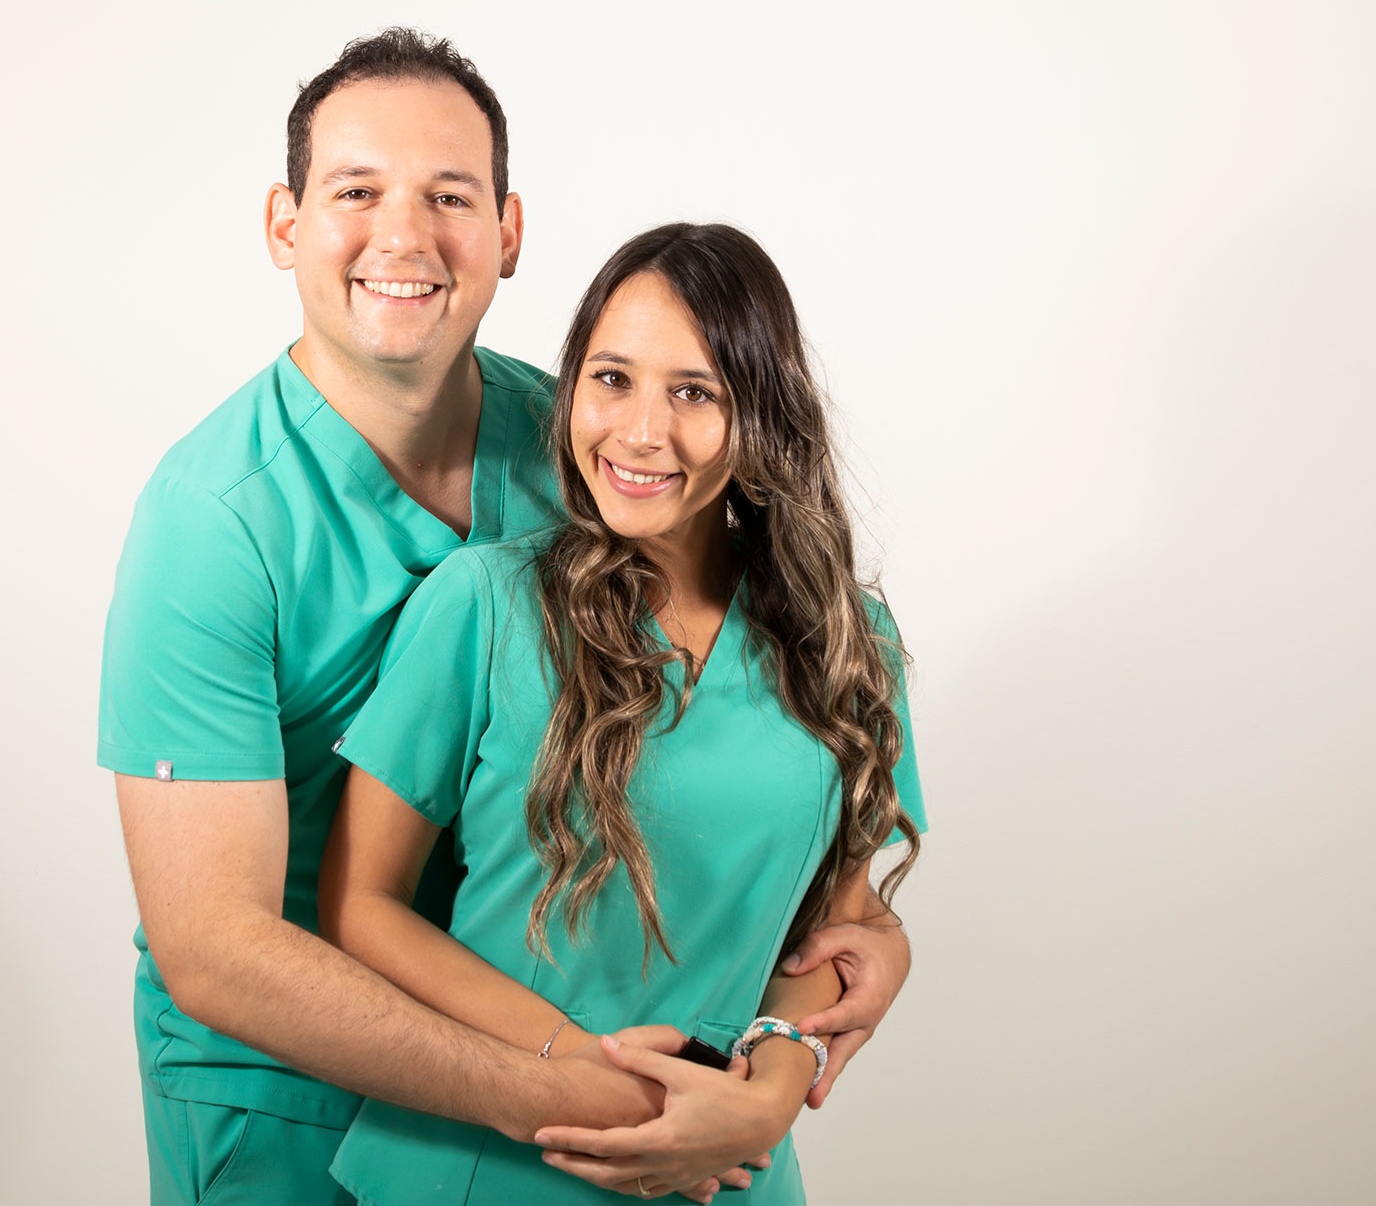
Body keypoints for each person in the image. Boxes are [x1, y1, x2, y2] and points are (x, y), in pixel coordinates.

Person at [101, 29, 914, 1206]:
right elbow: (215, 948)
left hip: (551, 1044)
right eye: (356, 192)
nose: (404, 234)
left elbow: (757, 771)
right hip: (280, 1082)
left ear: (508, 233)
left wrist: (849, 961)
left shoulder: (590, 449)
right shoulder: (211, 523)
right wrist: (591, 1095)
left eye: (449, 195)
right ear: (285, 225)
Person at [319, 222, 926, 1204]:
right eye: (611, 379)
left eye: (695, 392)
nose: (641, 430)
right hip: (485, 1159)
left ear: (761, 413)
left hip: (721, 1168)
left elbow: (841, 928)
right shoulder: (484, 605)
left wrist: (770, 1093)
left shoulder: (850, 644)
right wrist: (572, 1061)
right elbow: (362, 904)